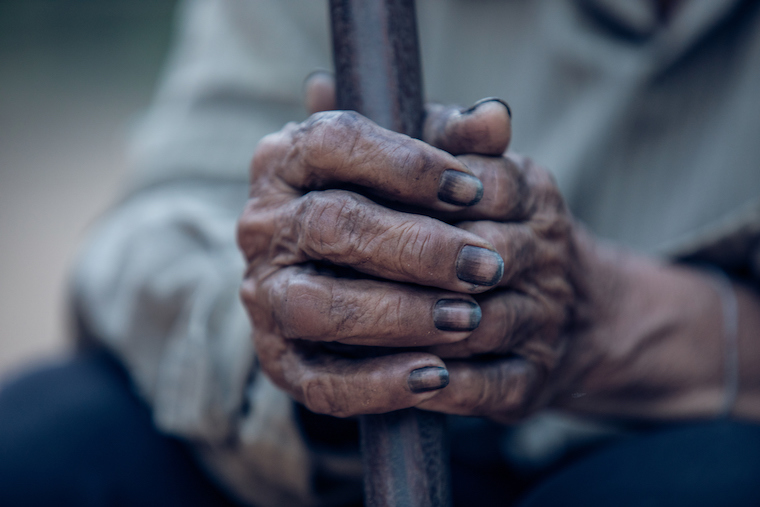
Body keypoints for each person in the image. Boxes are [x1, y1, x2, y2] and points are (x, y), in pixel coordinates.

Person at [1, 0, 760, 506]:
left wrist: (614, 321)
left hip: (689, 429)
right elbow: (151, 223)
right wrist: (313, 339)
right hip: (338, 452)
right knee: (45, 447)